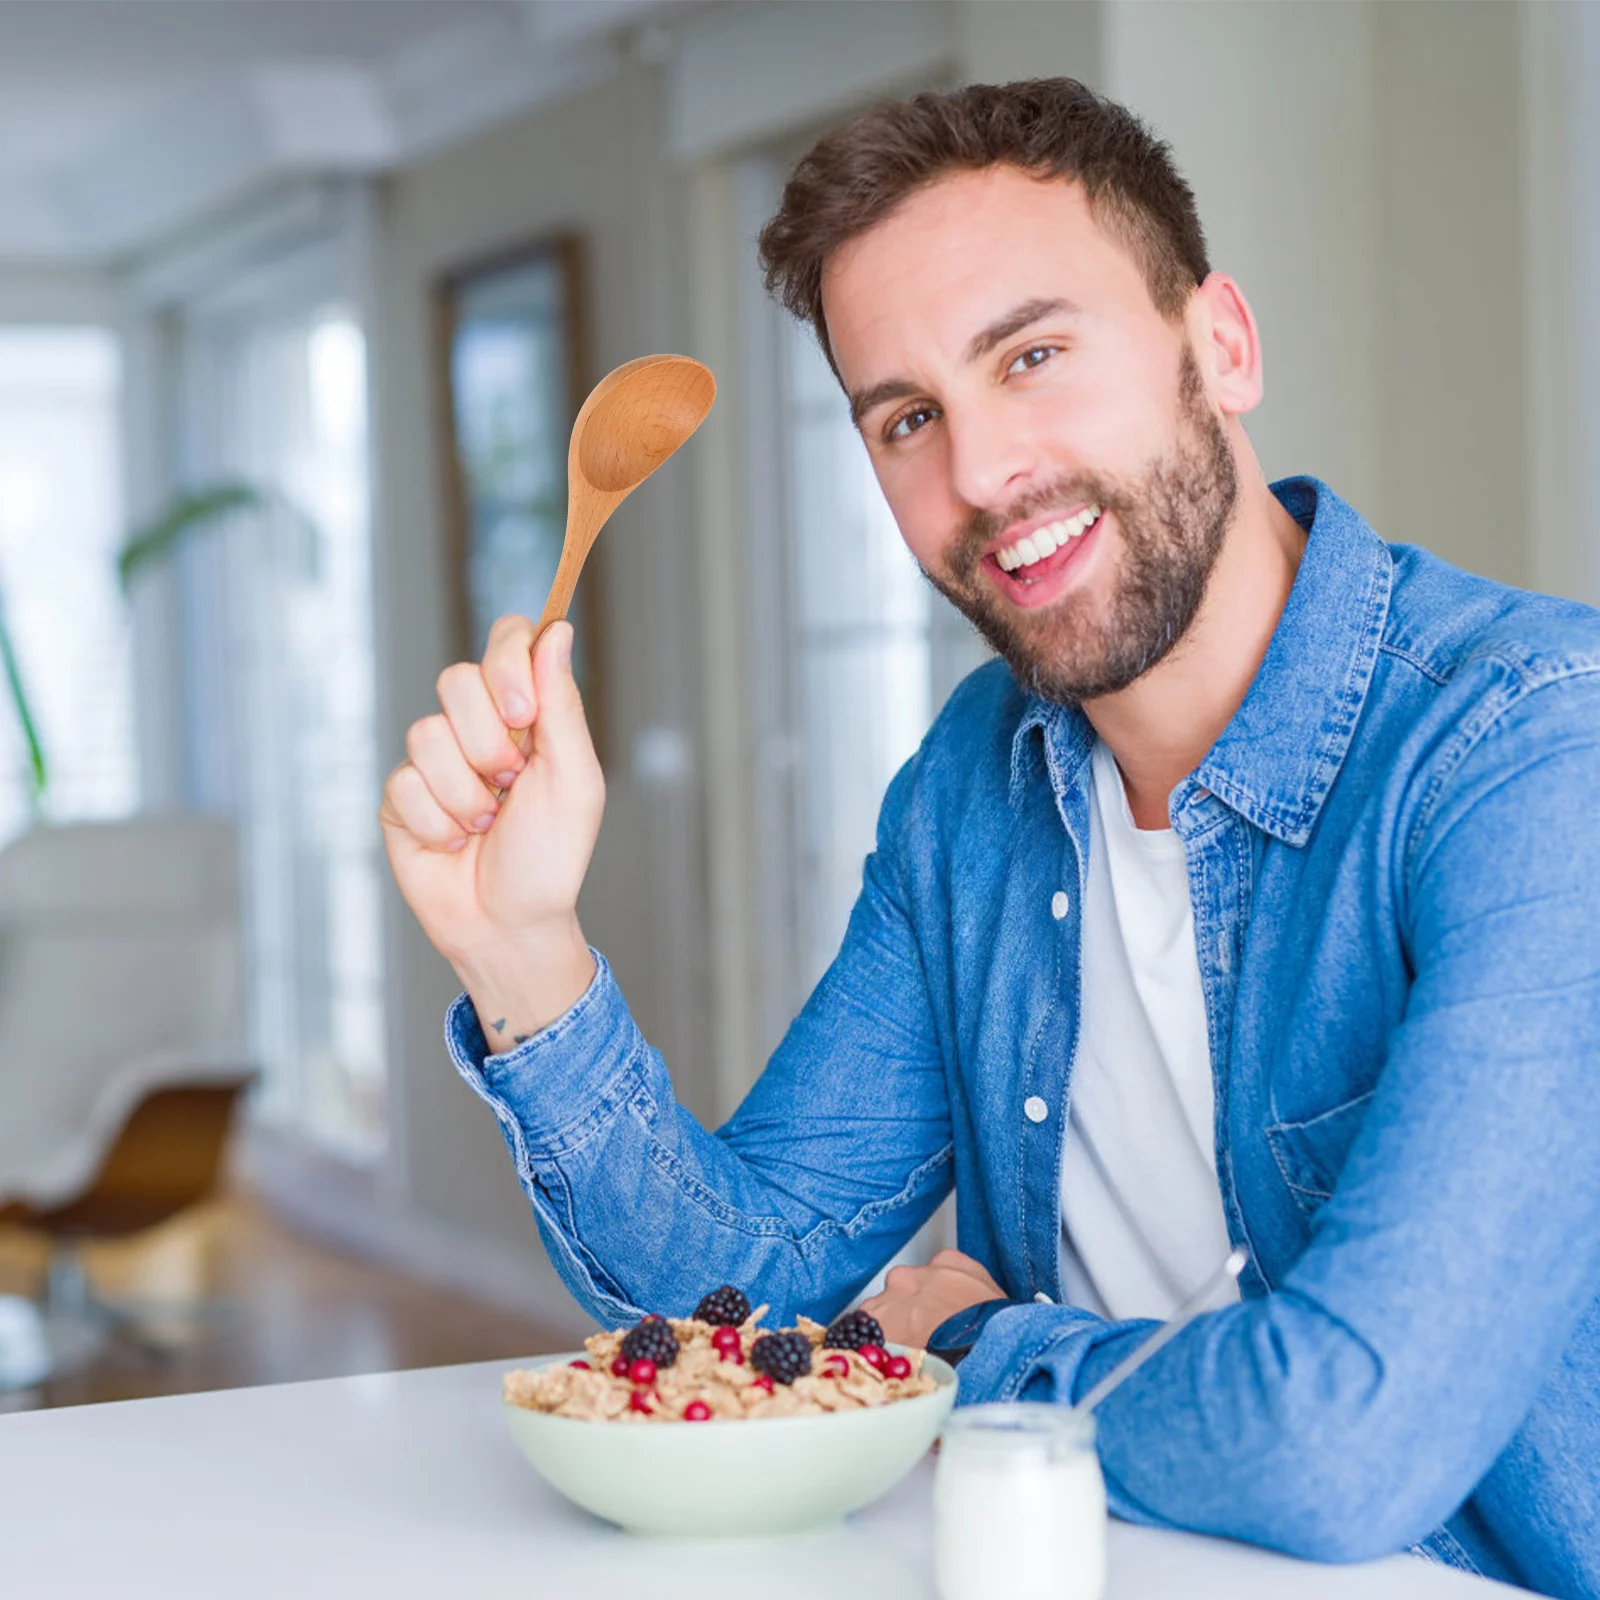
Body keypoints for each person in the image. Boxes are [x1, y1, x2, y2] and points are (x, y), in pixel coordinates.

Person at [380, 79, 1600, 1598]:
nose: (978, 476)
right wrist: (523, 954)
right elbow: (742, 1297)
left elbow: (1342, 1446)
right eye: (908, 418)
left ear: (1217, 346)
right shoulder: (979, 783)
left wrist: (961, 1346)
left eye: (1033, 356)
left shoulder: (1535, 747)